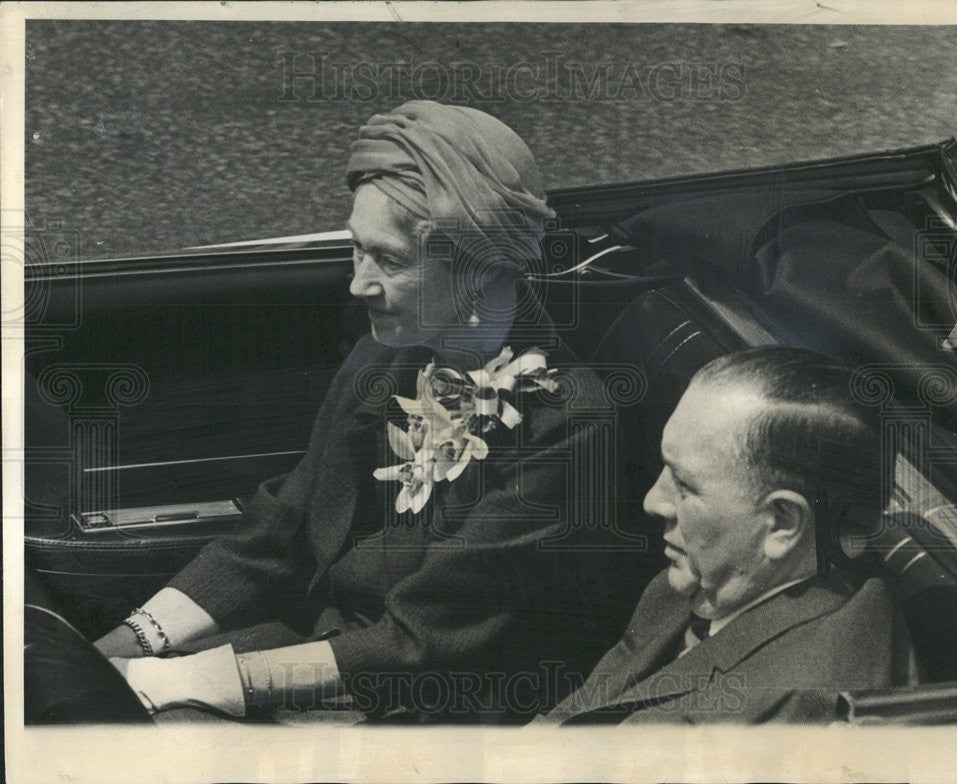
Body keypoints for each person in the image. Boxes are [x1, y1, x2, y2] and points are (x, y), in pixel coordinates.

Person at [94, 101, 641, 722]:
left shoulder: (567, 422)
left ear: (480, 269)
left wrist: (191, 680)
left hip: (439, 702)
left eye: (390, 259)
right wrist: (120, 648)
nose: (359, 284)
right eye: (358, 251)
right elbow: (280, 531)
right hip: (322, 651)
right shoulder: (382, 358)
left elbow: (426, 643)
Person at [538, 347, 916, 725]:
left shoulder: (784, 713)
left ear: (782, 523)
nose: (653, 501)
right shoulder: (704, 577)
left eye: (685, 485)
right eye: (665, 468)